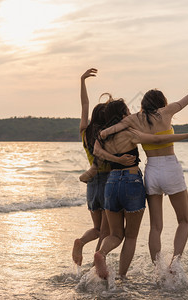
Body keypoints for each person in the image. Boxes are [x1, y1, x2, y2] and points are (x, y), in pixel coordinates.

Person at [99, 72, 188, 264]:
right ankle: (175, 262)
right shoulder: (166, 112)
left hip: (152, 172)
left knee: (155, 227)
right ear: (161, 102)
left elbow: (110, 131)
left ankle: (158, 269)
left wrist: (105, 135)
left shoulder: (134, 119)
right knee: (184, 221)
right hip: (170, 168)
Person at [72, 69, 135, 266]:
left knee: (97, 228)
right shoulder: (107, 135)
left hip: (92, 184)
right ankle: (96, 267)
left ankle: (81, 241)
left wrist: (82, 81)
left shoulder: (85, 132)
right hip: (109, 182)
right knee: (107, 232)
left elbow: (84, 104)